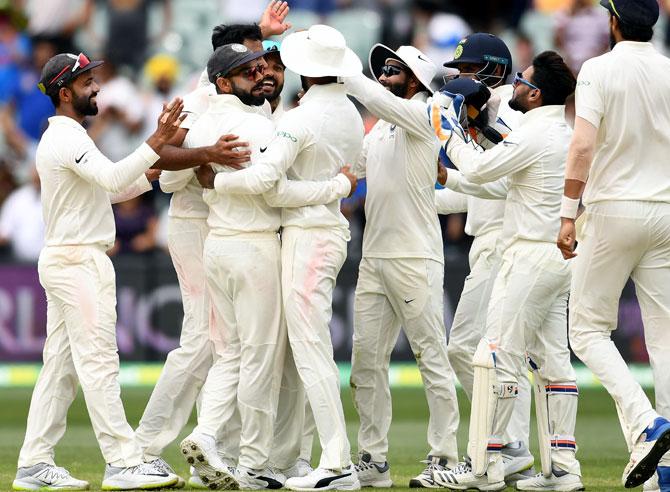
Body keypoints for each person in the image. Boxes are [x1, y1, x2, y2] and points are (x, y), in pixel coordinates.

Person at [179, 42, 357, 490]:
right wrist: (338, 185)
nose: (262, 76)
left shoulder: (202, 123)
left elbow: (165, 180)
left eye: (263, 69)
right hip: (258, 248)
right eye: (249, 72)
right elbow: (271, 190)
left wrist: (207, 169)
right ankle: (256, 462)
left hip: (216, 244)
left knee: (233, 353)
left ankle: (207, 435)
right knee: (260, 359)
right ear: (225, 82)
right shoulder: (261, 125)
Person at [12, 51, 186, 491]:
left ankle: (34, 464)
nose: (97, 88)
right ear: (65, 92)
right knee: (99, 363)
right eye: (88, 81)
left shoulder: (70, 138)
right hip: (76, 261)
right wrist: (156, 139)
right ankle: (123, 463)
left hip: (70, 257)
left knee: (63, 369)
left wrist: (153, 167)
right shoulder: (68, 138)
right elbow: (110, 181)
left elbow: (105, 192)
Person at [431, 52, 583, 491]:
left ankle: (486, 464)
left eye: (522, 80)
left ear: (534, 94)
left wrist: (447, 125)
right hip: (557, 259)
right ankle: (562, 470)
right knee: (554, 362)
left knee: (496, 356)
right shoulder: (559, 131)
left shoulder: (532, 134)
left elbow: (479, 167)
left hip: (529, 257)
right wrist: (453, 175)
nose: (515, 85)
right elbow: (498, 184)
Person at [556, 0, 670, 489]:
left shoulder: (598, 69)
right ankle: (663, 469)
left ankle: (647, 423)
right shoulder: (668, 69)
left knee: (585, 331)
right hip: (666, 212)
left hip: (612, 209)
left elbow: (582, 146)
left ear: (613, 23)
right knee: (665, 342)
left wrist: (567, 214)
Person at [341, 44, 459, 488]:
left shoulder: (425, 112)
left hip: (415, 257)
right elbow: (350, 169)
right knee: (365, 363)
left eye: (392, 70)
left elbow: (377, 99)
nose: (384, 76)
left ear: (414, 80)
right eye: (383, 71)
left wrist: (344, 72)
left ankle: (444, 457)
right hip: (375, 258)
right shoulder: (381, 129)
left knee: (432, 359)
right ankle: (373, 459)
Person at [439, 32, 535, 485]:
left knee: (470, 348)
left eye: (467, 71)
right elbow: (477, 195)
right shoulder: (489, 113)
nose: (459, 81)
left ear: (493, 70)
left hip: (504, 242)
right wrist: (421, 196)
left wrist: (452, 178)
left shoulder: (507, 114)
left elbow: (497, 186)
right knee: (502, 353)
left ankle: (506, 444)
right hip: (490, 240)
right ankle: (509, 444)